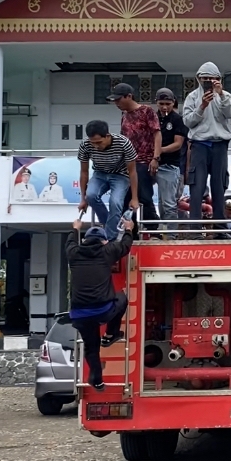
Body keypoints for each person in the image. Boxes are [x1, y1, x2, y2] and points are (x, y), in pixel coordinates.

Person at [67, 215, 134, 390]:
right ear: (104, 242)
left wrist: (75, 228)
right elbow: (126, 246)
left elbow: (71, 242)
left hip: (79, 315)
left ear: (85, 240)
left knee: (91, 347)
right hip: (102, 310)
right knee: (122, 298)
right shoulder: (107, 251)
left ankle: (96, 379)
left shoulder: (74, 254)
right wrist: (128, 229)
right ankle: (111, 334)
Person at [182, 62, 231, 229]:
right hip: (200, 145)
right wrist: (202, 106)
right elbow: (187, 121)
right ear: (198, 79)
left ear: (218, 79)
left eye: (212, 79)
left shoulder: (225, 95)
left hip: (220, 145)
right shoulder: (192, 97)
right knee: (197, 187)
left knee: (219, 187)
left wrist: (220, 95)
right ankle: (195, 229)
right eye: (204, 78)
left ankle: (221, 228)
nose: (207, 81)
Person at [77, 120, 139, 241]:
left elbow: (132, 172)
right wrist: (83, 199)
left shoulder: (123, 143)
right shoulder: (85, 145)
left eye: (99, 142)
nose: (96, 146)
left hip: (120, 175)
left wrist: (135, 198)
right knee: (91, 195)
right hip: (100, 174)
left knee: (115, 203)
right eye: (93, 143)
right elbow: (84, 172)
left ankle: (109, 239)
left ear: (108, 136)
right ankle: (108, 224)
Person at [112, 83, 161, 227]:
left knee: (144, 195)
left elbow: (157, 134)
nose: (116, 103)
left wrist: (155, 158)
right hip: (127, 163)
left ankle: (153, 228)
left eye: (119, 100)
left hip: (144, 160)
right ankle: (130, 231)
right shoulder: (124, 115)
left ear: (129, 96)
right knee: (125, 197)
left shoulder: (147, 111)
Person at [154, 88, 188, 234]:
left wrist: (158, 150)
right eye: (161, 103)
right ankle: (163, 231)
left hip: (169, 165)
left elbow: (178, 144)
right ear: (156, 103)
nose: (164, 107)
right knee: (160, 203)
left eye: (167, 103)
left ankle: (171, 234)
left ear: (173, 102)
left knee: (169, 204)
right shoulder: (153, 117)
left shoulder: (177, 119)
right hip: (153, 164)